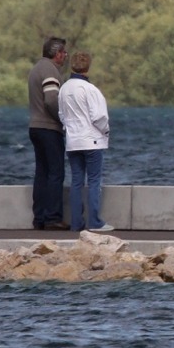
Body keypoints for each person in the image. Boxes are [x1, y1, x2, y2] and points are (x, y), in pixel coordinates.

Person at [57, 51, 112, 233]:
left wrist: (69, 129)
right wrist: (105, 131)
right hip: (92, 141)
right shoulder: (91, 90)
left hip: (73, 142)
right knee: (94, 181)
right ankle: (95, 222)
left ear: (72, 65)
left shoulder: (64, 88)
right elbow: (99, 117)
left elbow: (61, 115)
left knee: (76, 182)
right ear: (88, 67)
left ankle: (76, 223)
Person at [27, 36, 68, 231]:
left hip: (34, 126)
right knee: (55, 172)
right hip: (48, 128)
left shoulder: (36, 68)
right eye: (64, 53)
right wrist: (62, 119)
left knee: (41, 173)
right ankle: (53, 218)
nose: (65, 56)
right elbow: (51, 99)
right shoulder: (50, 70)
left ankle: (39, 217)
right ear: (57, 53)